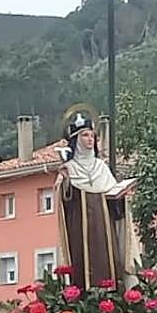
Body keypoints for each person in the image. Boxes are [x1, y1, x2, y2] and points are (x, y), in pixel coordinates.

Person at [54, 112, 137, 288]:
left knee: (108, 262)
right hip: (79, 232)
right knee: (81, 266)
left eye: (92, 135)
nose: (90, 139)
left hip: (104, 230)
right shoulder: (68, 169)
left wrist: (121, 198)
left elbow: (114, 204)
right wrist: (66, 182)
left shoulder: (102, 168)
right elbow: (64, 203)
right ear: (75, 140)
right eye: (85, 135)